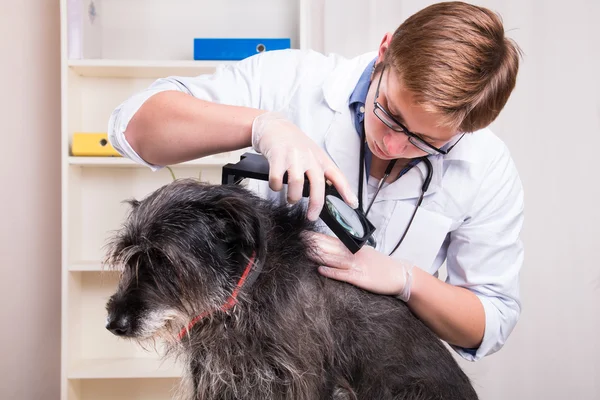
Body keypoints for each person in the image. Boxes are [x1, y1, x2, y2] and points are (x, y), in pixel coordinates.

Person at [107, 1, 524, 362]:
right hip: (257, 358)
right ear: (385, 51)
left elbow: (489, 323)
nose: (393, 144)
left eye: (424, 141)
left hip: (383, 369)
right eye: (390, 113)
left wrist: (406, 280)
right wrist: (262, 126)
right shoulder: (291, 81)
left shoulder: (486, 166)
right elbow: (134, 128)